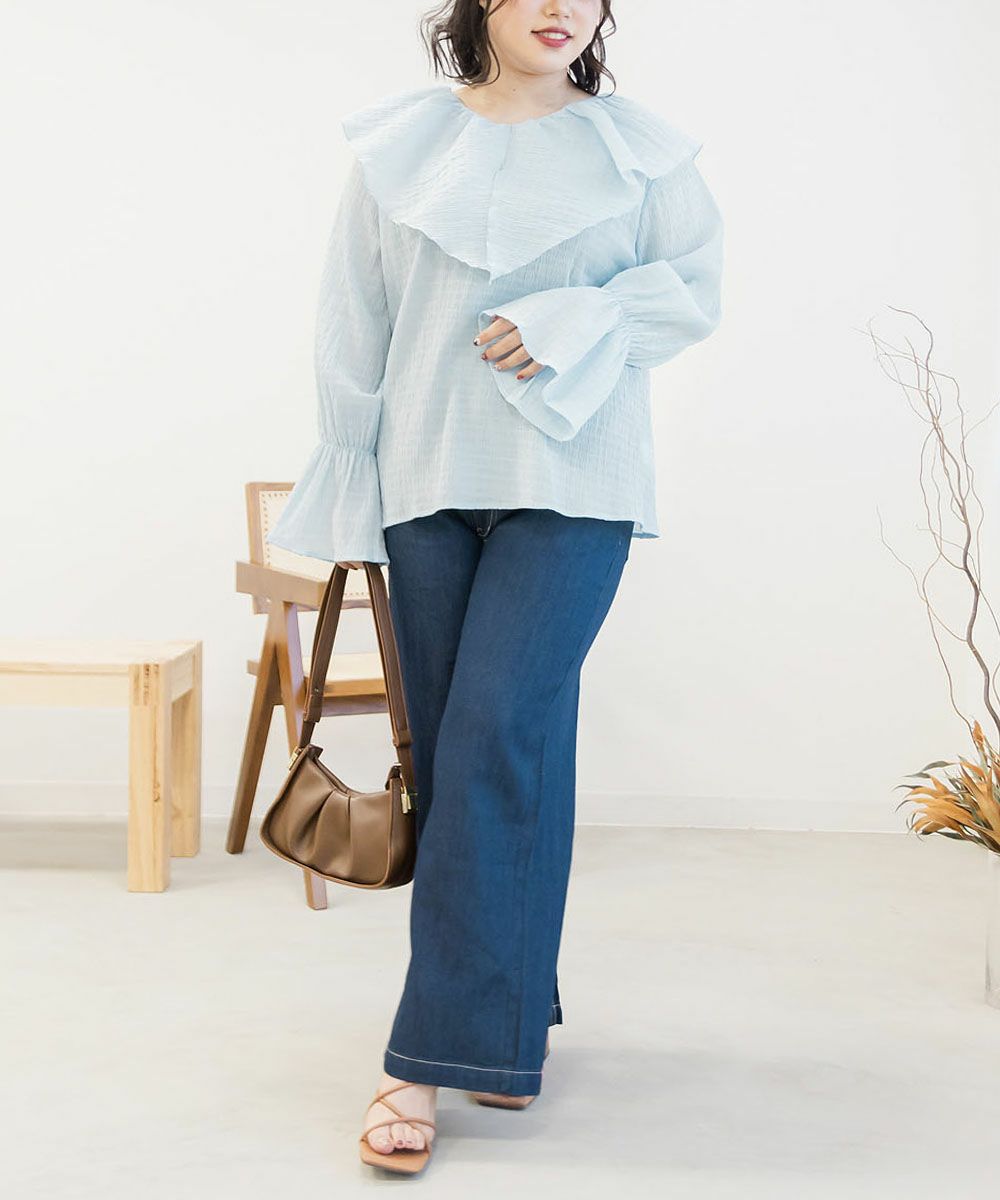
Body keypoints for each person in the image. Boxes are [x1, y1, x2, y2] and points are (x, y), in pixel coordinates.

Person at [265, 0, 724, 1175]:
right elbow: (352, 324)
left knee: (490, 739)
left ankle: (421, 1060)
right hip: (423, 483)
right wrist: (353, 482)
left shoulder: (637, 150)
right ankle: (506, 1021)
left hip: (575, 486)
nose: (559, 8)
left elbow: (691, 290)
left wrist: (582, 313)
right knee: (482, 755)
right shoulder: (401, 149)